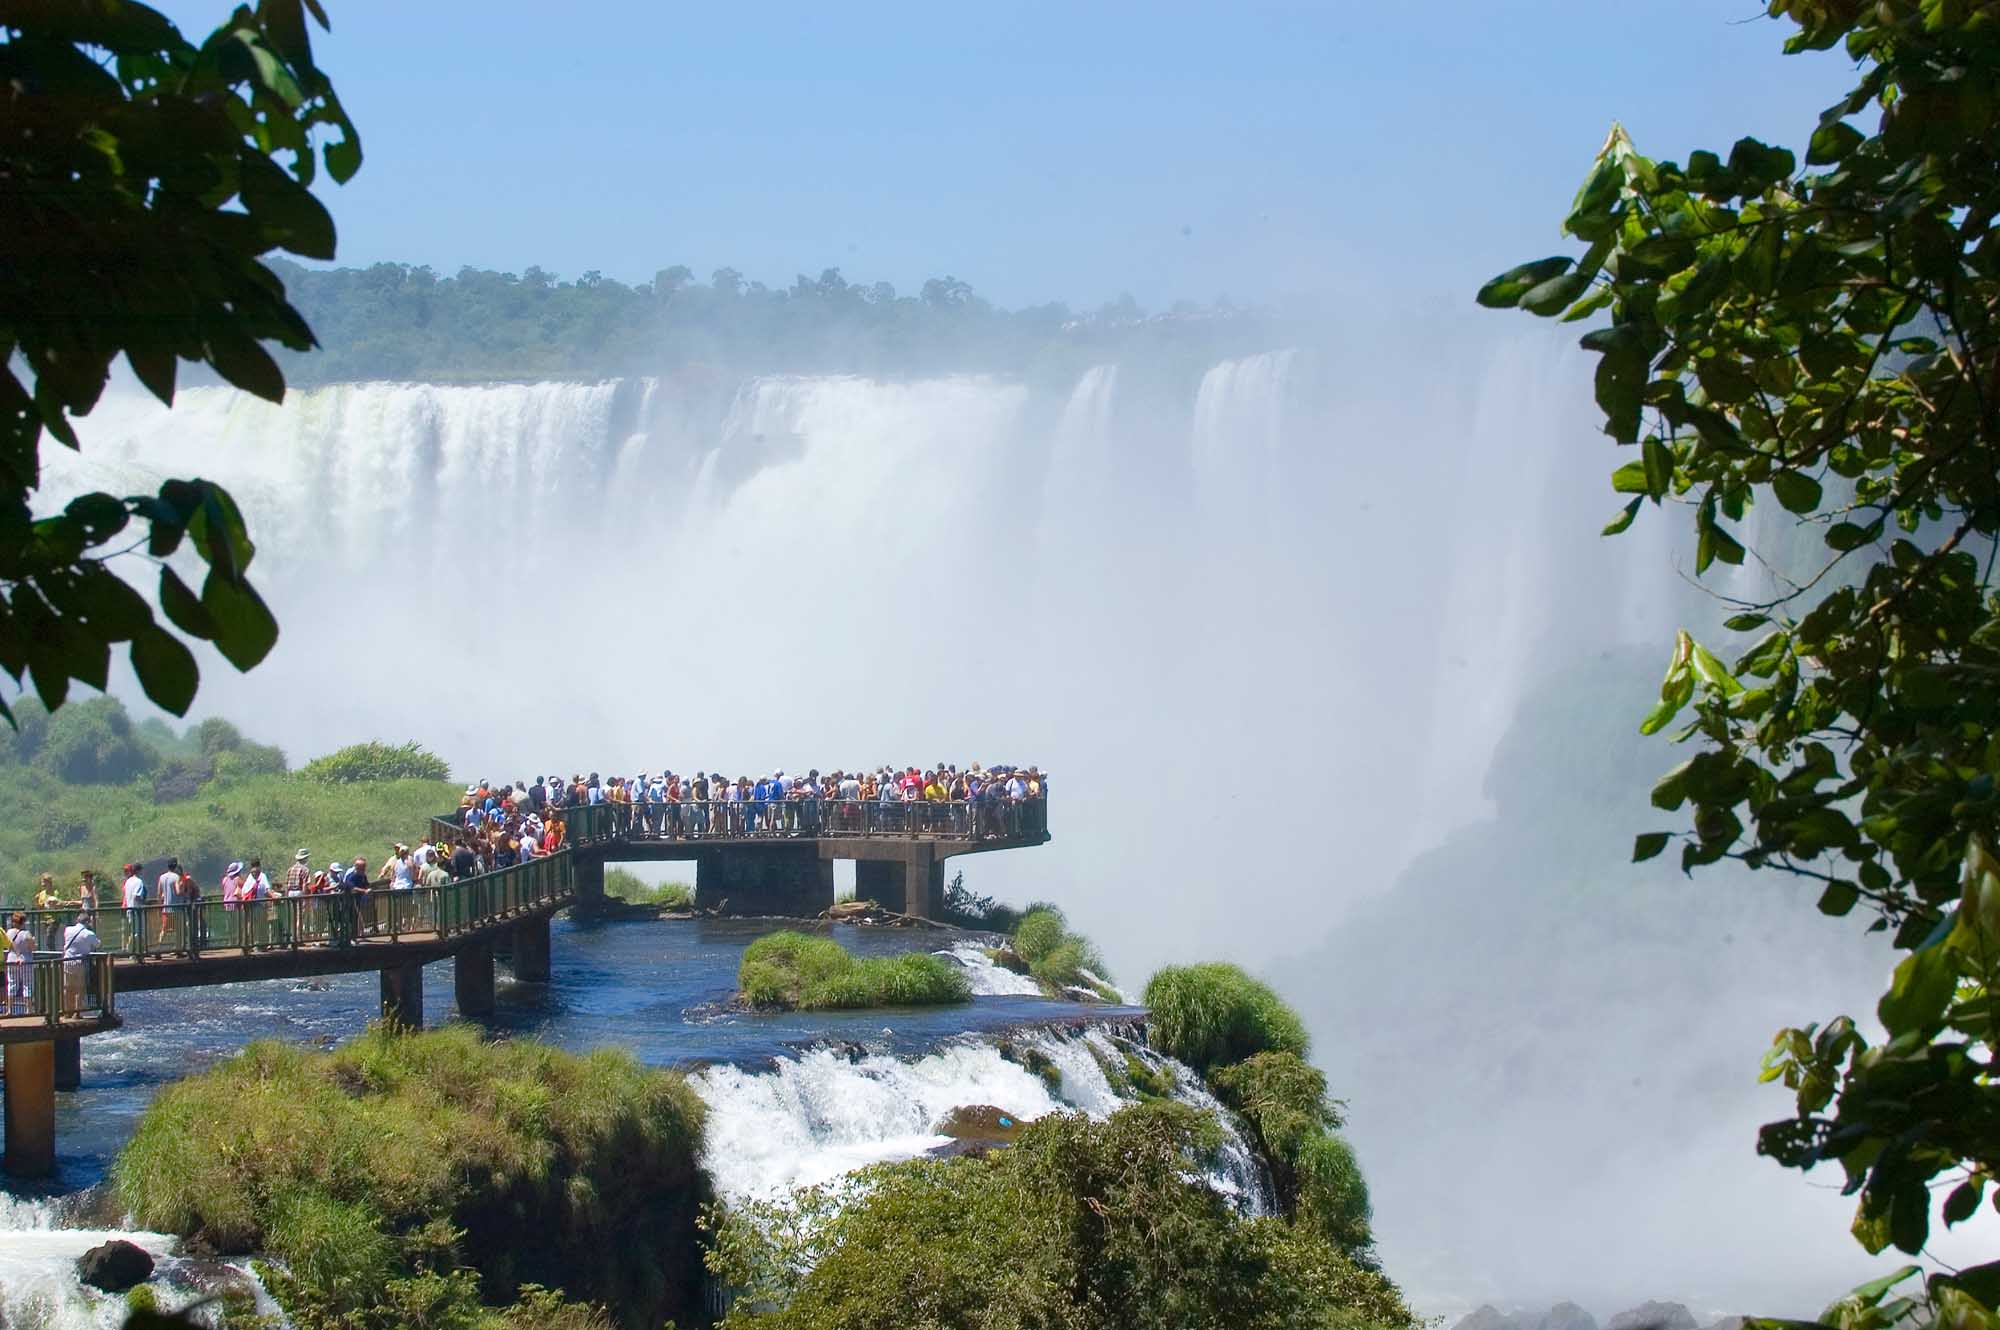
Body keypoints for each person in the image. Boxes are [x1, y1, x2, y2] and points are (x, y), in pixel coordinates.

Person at [60, 911, 99, 1017]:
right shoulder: (88, 933)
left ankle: (67, 1012)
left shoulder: (68, 930)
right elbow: (97, 944)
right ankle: (77, 1013)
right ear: (87, 922)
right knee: (79, 988)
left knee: (67, 987)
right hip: (80, 962)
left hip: (67, 961)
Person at [4, 911, 34, 1016]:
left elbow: (8, 946)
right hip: (25, 959)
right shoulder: (26, 934)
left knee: (12, 984)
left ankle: (9, 1010)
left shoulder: (9, 932)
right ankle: (28, 1010)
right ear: (23, 922)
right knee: (27, 984)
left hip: (11, 959)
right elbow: (32, 947)